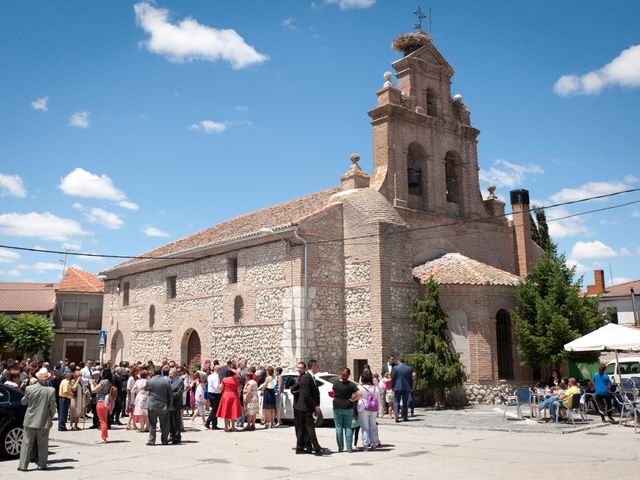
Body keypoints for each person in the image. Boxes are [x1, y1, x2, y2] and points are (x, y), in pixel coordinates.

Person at [17, 367, 56, 472]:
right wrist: (50, 417)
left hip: (30, 420)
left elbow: (23, 402)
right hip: (43, 421)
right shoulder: (51, 391)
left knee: (26, 443)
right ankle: (42, 465)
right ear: (47, 378)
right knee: (42, 444)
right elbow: (53, 407)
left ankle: (23, 466)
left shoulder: (30, 388)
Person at [291, 359, 329, 456]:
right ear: (313, 366)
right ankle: (316, 449)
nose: (318, 368)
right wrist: (315, 406)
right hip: (305, 407)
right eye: (317, 366)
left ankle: (299, 448)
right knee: (310, 428)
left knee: (303, 429)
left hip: (304, 407)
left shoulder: (310, 377)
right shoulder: (307, 377)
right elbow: (306, 394)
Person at [332, 367, 360, 453]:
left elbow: (333, 392)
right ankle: (349, 448)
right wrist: (352, 400)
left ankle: (340, 448)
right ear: (348, 375)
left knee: (338, 427)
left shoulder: (335, 384)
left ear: (341, 374)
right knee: (348, 427)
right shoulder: (351, 385)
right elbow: (359, 394)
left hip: (337, 406)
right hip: (348, 407)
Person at [144, 366, 173, 445]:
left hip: (152, 405)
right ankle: (164, 440)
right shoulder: (166, 381)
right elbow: (170, 395)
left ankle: (151, 440)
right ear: (161, 372)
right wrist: (170, 405)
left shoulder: (150, 381)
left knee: (152, 424)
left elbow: (146, 389)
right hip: (163, 406)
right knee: (165, 424)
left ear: (154, 372)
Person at [358, 369, 381, 450]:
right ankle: (374, 444)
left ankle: (365, 445)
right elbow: (378, 400)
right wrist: (379, 410)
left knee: (365, 427)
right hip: (374, 409)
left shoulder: (360, 388)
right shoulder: (376, 388)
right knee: (373, 426)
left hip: (363, 408)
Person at [90, 368, 113, 443]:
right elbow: (99, 389)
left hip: (101, 402)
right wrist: (94, 383)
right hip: (106, 402)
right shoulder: (109, 382)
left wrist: (91, 384)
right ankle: (104, 436)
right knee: (104, 420)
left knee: (102, 421)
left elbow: (93, 390)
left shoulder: (103, 381)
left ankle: (103, 437)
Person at [391, 356, 413, 422]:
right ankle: (404, 417)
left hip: (397, 387)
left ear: (398, 361)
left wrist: (392, 386)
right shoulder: (409, 368)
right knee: (405, 402)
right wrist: (411, 387)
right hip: (406, 387)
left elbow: (393, 378)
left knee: (396, 402)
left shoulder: (395, 368)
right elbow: (410, 379)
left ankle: (396, 416)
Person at [168, 367, 184, 444]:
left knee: (176, 421)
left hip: (176, 404)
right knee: (170, 421)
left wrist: (169, 395)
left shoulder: (180, 382)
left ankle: (177, 437)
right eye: (169, 374)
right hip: (169, 404)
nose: (169, 375)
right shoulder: (168, 381)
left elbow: (179, 393)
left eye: (170, 374)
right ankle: (171, 436)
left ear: (174, 374)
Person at [205, 364, 222, 430]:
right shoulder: (216, 377)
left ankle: (214, 425)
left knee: (214, 409)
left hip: (211, 393)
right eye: (220, 369)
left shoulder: (210, 376)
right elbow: (216, 387)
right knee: (215, 409)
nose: (221, 371)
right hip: (215, 394)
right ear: (218, 370)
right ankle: (208, 422)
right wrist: (222, 386)